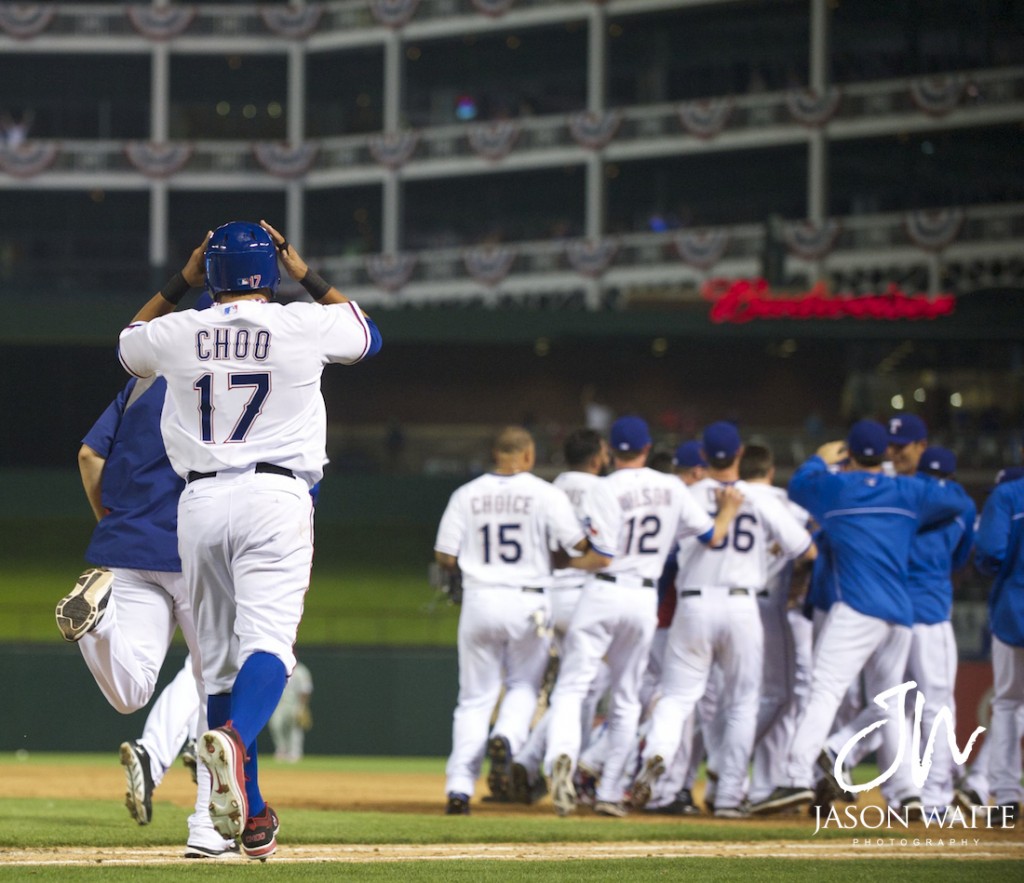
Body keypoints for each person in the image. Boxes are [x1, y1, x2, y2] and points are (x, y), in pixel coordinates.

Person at [117, 219, 381, 860]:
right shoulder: (302, 323)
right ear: (272, 268)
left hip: (200, 501)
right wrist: (303, 270)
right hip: (276, 497)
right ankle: (235, 742)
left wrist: (183, 278)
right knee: (270, 650)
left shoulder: (180, 332)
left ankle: (251, 814)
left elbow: (127, 342)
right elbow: (368, 334)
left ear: (210, 273)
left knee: (217, 667)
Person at [53, 366, 236, 858]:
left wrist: (117, 526)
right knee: (216, 686)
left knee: (132, 693)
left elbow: (89, 455)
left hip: (125, 548)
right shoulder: (235, 377)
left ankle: (99, 621)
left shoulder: (142, 383)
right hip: (195, 548)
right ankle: (205, 827)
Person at [753, 419, 973, 814]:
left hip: (857, 608)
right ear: (886, 454)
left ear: (850, 454)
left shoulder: (836, 488)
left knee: (824, 690)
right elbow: (957, 500)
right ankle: (907, 792)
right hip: (901, 616)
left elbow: (801, 483)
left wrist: (822, 459)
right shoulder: (908, 491)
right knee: (888, 704)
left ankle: (795, 777)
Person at [543, 415, 743, 818]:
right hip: (644, 602)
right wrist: (726, 512)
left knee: (572, 686)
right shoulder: (671, 486)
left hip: (603, 592)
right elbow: (712, 537)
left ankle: (562, 757)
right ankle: (612, 790)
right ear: (647, 448)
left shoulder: (605, 487)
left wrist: (570, 563)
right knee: (627, 699)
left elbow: (601, 556)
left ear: (610, 452)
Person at [631, 423, 814, 819]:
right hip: (742, 604)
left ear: (702, 457)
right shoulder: (759, 498)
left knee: (678, 697)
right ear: (739, 453)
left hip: (692, 604)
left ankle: (659, 762)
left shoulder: (683, 493)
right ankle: (730, 795)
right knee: (742, 704)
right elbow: (806, 549)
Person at [434, 425, 590, 815]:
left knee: (472, 700)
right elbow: (578, 546)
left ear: (495, 453)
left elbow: (445, 556)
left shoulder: (466, 494)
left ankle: (458, 788)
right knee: (523, 685)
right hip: (528, 602)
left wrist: (470, 566)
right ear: (528, 455)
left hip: (480, 599)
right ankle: (506, 734)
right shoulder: (545, 493)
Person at [509, 427, 611, 804]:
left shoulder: (550, 488)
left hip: (550, 596)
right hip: (587, 596)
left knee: (580, 685)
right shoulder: (605, 490)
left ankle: (531, 759)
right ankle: (552, 760)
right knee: (582, 687)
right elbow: (603, 554)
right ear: (597, 458)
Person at [883, 446, 975, 814]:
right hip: (932, 612)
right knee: (937, 708)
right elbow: (963, 555)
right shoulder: (959, 505)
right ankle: (935, 797)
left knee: (897, 707)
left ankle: (900, 794)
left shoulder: (905, 498)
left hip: (896, 613)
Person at [973, 446, 1024, 823]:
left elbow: (990, 551)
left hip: (1016, 609)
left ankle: (1006, 798)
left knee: (1007, 703)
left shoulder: (1008, 494)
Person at [268, 659, 313, 763]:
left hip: (295, 703)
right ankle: (282, 749)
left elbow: (306, 690)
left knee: (294, 728)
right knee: (276, 725)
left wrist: (302, 707)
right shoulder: (278, 668)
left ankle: (295, 752)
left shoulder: (301, 671)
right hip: (279, 704)